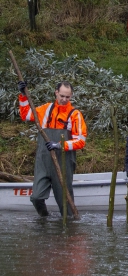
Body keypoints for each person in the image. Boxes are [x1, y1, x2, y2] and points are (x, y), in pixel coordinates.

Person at [18, 81, 87, 216]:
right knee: (36, 197)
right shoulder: (46, 109)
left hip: (63, 163)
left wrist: (60, 145)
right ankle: (44, 220)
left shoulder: (75, 114)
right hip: (43, 162)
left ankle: (68, 230)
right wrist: (23, 96)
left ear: (71, 96)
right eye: (62, 96)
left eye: (68, 97)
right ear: (56, 92)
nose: (64, 99)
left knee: (66, 206)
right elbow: (25, 115)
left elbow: (80, 141)